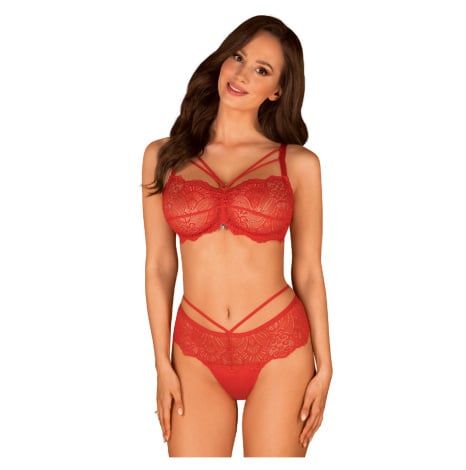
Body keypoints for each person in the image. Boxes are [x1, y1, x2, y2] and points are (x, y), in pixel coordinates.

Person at [141, 14, 332, 457]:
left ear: (277, 90)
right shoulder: (163, 157)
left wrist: (326, 367)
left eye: (262, 70)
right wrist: (161, 364)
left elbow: (307, 270)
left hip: (280, 346)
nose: (242, 74)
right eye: (239, 57)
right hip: (194, 351)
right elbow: (159, 265)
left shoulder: (299, 164)